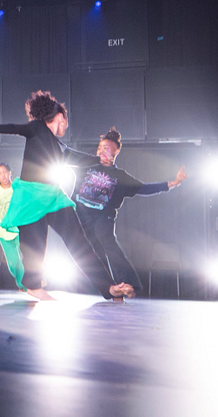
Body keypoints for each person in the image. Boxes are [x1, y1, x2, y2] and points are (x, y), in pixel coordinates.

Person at [0, 92, 133, 301]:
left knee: (79, 242)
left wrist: (101, 161)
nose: (66, 125)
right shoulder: (37, 128)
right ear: (60, 117)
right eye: (66, 120)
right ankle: (34, 285)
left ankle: (108, 288)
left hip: (53, 197)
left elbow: (76, 157)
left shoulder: (58, 145)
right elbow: (18, 129)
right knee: (35, 245)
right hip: (31, 197)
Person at [72, 127, 187, 296]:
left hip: (102, 217)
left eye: (107, 148)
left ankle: (127, 283)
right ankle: (112, 289)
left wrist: (173, 183)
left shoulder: (120, 176)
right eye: (100, 148)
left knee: (108, 243)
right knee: (91, 254)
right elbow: (66, 156)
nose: (103, 151)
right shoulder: (87, 165)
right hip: (81, 215)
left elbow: (143, 188)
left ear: (116, 152)